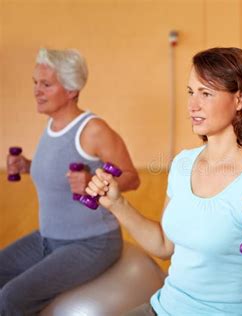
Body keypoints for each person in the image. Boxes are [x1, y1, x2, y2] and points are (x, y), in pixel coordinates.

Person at [85, 47, 242, 316]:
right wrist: (117, 203)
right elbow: (164, 245)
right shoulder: (183, 163)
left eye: (206, 93)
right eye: (190, 92)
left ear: (239, 99)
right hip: (165, 307)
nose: (192, 105)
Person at [0, 48, 140, 315]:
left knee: (11, 298)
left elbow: (133, 178)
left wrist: (92, 182)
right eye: (35, 83)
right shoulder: (52, 125)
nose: (37, 91)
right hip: (48, 238)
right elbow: (58, 174)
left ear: (71, 89)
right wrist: (27, 166)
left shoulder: (93, 130)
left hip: (91, 243)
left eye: (46, 84)